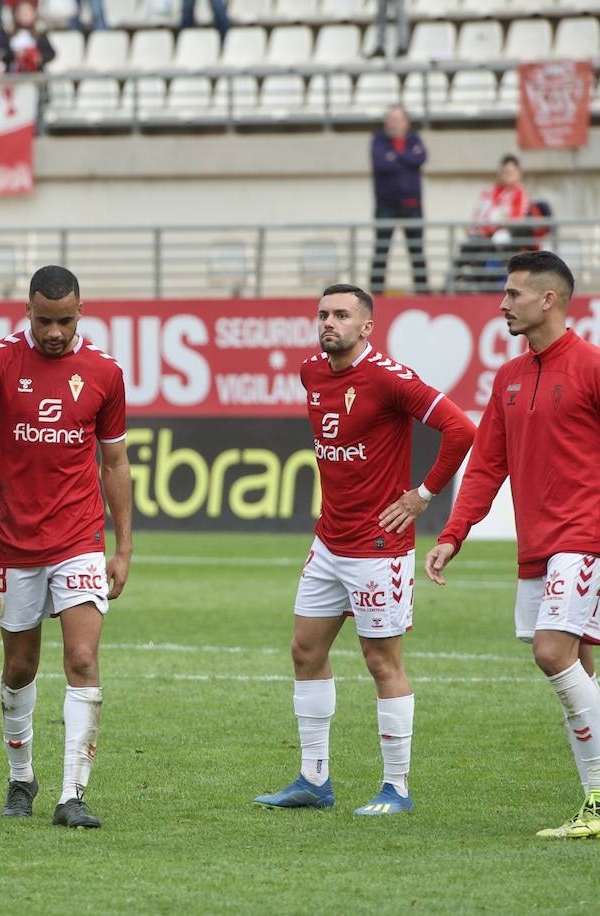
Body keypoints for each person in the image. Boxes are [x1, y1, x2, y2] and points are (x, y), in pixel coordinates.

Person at [253, 283, 476, 817]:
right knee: (305, 652)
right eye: (324, 314)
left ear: (367, 326)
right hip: (329, 541)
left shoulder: (387, 377)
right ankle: (313, 779)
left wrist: (423, 495)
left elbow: (461, 428)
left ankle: (396, 787)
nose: (329, 322)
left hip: (379, 547)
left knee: (382, 662)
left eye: (342, 315)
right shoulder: (311, 371)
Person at [0, 265, 132, 829]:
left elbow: (116, 462)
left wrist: (122, 547)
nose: (55, 331)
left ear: (81, 313)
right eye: (45, 319)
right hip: (13, 540)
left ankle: (73, 793)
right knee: (19, 665)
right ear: (28, 310)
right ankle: (21, 777)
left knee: (81, 658)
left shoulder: (104, 372)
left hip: (79, 535)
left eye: (66, 320)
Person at [426, 251, 600, 839]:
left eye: (513, 295)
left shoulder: (593, 367)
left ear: (547, 299)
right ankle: (593, 805)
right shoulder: (508, 377)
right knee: (579, 667)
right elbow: (486, 467)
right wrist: (453, 535)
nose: (502, 304)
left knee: (553, 654)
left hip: (585, 537)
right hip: (538, 545)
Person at [369, 105, 429, 295]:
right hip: (386, 206)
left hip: (412, 206)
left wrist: (396, 157)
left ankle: (423, 292)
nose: (393, 123)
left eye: (397, 119)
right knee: (381, 250)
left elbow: (421, 158)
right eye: (390, 119)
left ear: (406, 122)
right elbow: (381, 163)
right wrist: (406, 159)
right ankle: (375, 292)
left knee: (417, 251)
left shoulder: (414, 139)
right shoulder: (378, 141)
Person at [453, 155, 532, 292]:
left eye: (511, 172)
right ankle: (453, 285)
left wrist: (497, 223)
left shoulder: (519, 193)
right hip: (482, 236)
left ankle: (482, 286)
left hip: (502, 239)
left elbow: (517, 219)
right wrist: (474, 229)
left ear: (518, 173)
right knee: (466, 249)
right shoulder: (488, 192)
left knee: (485, 249)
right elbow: (477, 217)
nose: (507, 175)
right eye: (504, 172)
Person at [0, 1, 56, 73]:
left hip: (35, 74)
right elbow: (1, 53)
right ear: (15, 14)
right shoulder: (8, 35)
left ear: (34, 14)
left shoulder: (40, 34)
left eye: (28, 12)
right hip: (13, 75)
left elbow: (51, 53)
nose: (24, 14)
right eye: (21, 12)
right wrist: (15, 54)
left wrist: (38, 57)